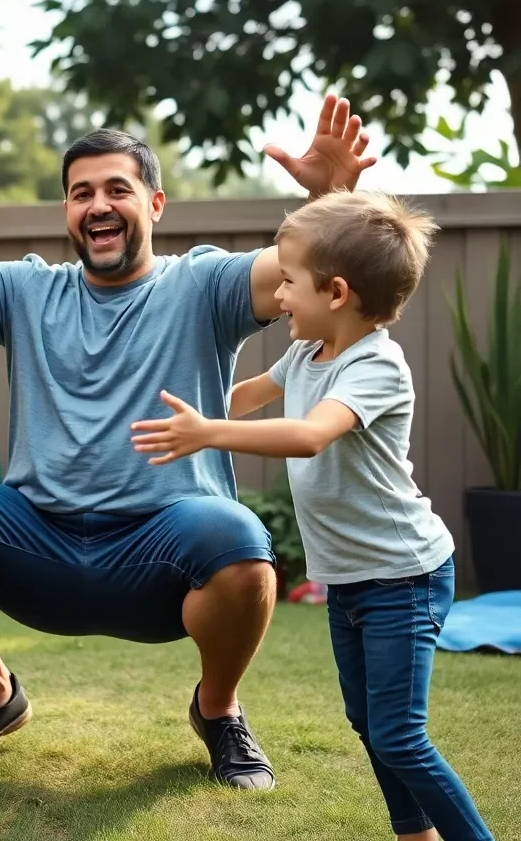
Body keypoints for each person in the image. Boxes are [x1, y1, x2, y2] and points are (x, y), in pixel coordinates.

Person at [0, 57, 375, 790]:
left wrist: (332, 199)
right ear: (66, 212)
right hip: (35, 544)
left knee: (240, 541)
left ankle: (219, 711)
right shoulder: (25, 292)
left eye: (116, 189)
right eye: (80, 194)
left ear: (156, 203)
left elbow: (311, 266)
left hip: (161, 556)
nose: (97, 205)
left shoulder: (206, 285)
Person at [130, 191, 494, 841]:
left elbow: (309, 435)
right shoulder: (306, 352)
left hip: (403, 576)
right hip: (350, 579)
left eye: (289, 282)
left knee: (401, 736)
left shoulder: (376, 365)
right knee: (367, 722)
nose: (278, 296)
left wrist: (207, 434)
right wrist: (171, 405)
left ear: (335, 292)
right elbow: (239, 395)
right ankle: (416, 835)